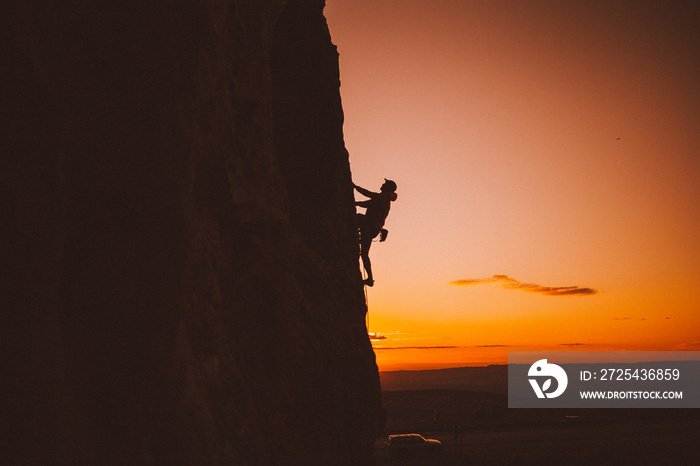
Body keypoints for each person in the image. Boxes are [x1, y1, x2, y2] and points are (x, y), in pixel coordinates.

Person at [354, 179, 397, 286]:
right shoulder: (384, 199)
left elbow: (369, 199)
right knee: (364, 253)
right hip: (373, 228)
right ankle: (369, 279)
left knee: (364, 253)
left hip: (369, 227)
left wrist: (355, 199)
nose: (382, 185)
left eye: (384, 184)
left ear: (387, 188)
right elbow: (370, 198)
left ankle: (370, 278)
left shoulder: (382, 198)